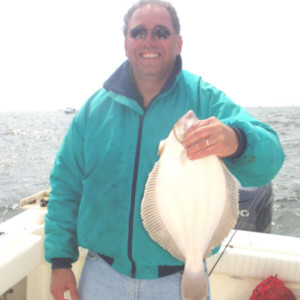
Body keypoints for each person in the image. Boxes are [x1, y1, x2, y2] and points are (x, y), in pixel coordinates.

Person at [44, 0, 285, 299]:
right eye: (138, 32)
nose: (149, 40)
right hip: (101, 275)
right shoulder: (94, 111)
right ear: (125, 43)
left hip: (176, 279)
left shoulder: (205, 100)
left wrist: (235, 139)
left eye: (160, 31)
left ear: (178, 42)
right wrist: (59, 261)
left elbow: (271, 157)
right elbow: (65, 186)